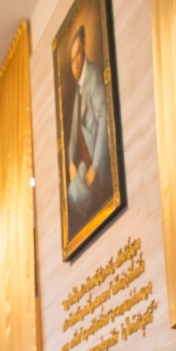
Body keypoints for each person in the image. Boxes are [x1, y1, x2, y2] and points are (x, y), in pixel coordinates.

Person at [64, 23, 111, 233]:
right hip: (83, 164)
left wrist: (96, 167)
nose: (75, 63)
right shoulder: (78, 91)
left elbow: (104, 120)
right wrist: (70, 165)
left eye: (78, 55)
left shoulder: (93, 76)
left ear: (84, 52)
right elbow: (73, 138)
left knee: (76, 196)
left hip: (96, 163)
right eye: (72, 59)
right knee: (72, 194)